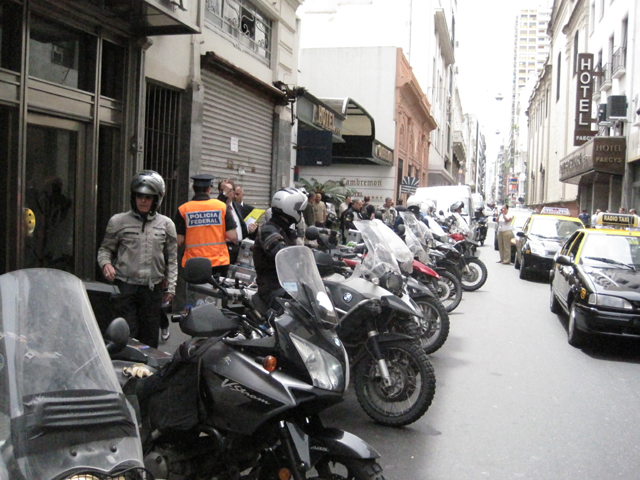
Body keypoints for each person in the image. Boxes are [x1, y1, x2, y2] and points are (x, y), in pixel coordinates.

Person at [98, 170, 177, 348]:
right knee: (127, 337)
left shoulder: (166, 224)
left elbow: (172, 258)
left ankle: (147, 374)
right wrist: (106, 264)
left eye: (148, 197)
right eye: (139, 196)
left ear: (156, 199)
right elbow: (105, 249)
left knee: (149, 340)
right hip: (126, 288)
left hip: (152, 290)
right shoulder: (118, 221)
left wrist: (171, 286)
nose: (143, 200)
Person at [253, 188, 308, 311]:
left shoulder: (286, 230)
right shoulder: (269, 231)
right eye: (299, 211)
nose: (300, 214)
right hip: (272, 289)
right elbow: (282, 254)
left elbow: (301, 252)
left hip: (288, 287)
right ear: (290, 209)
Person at [175, 174, 237, 277]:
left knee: (195, 292)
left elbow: (179, 240)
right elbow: (232, 236)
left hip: (193, 263)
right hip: (219, 263)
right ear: (209, 189)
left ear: (193, 188)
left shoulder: (183, 210)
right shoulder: (221, 207)